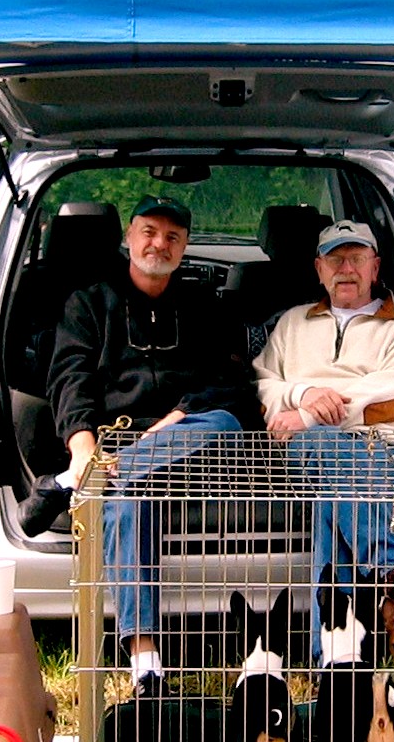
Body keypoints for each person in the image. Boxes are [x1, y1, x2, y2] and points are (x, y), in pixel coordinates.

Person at [34, 195, 258, 694]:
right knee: (128, 494)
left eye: (172, 236)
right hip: (113, 445)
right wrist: (83, 448)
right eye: (150, 232)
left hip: (192, 445)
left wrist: (175, 419)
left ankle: (75, 484)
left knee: (223, 422)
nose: (160, 244)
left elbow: (233, 385)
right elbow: (69, 380)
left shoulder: (205, 307)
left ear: (184, 247)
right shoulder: (88, 304)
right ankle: (146, 663)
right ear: (128, 237)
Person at [253, 219, 394, 655]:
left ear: (375, 267)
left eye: (356, 258)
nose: (346, 269)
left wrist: (308, 415)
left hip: (380, 451)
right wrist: (302, 393)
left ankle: (332, 661)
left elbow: (392, 396)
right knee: (329, 451)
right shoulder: (292, 323)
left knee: (332, 501)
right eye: (335, 259)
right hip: (304, 450)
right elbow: (261, 383)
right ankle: (392, 574)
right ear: (318, 269)